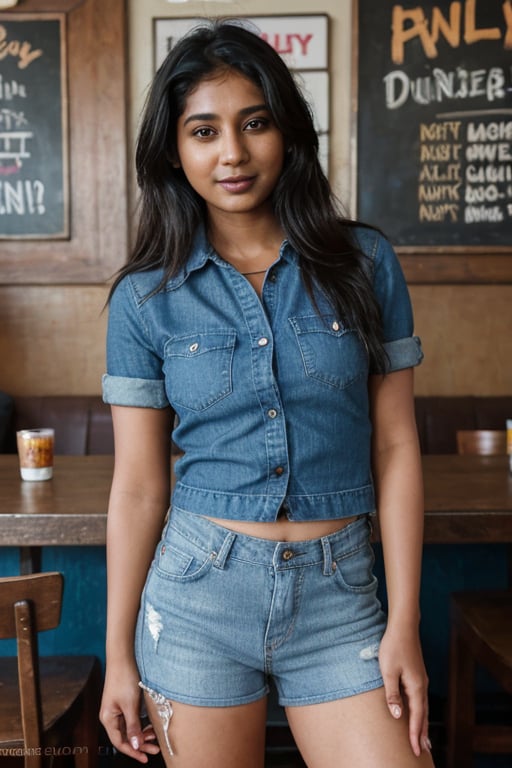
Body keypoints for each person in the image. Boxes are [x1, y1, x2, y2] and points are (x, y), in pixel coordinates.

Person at [99, 19, 435, 768]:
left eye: (254, 123)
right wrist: (117, 653)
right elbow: (139, 487)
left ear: (286, 131)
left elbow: (396, 445)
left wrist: (403, 621)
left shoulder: (364, 262)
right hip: (196, 599)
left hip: (340, 596)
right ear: (174, 150)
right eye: (203, 130)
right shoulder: (144, 297)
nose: (232, 153)